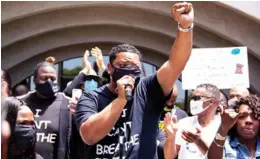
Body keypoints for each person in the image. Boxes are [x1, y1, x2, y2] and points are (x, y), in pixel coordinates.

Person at [75, 2, 194, 159]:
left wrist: (185, 27)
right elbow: (89, 136)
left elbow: (175, 64)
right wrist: (121, 100)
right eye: (123, 65)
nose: (130, 71)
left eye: (135, 67)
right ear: (110, 68)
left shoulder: (148, 90)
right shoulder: (92, 97)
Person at [19, 61, 73, 159]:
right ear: (34, 80)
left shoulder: (68, 105)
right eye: (44, 78)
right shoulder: (20, 103)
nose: (49, 82)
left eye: (53, 78)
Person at [164, 84, 222, 159]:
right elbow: (169, 157)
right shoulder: (184, 123)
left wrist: (199, 142)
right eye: (192, 98)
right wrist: (171, 137)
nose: (192, 101)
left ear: (211, 101)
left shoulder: (223, 127)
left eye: (196, 98)